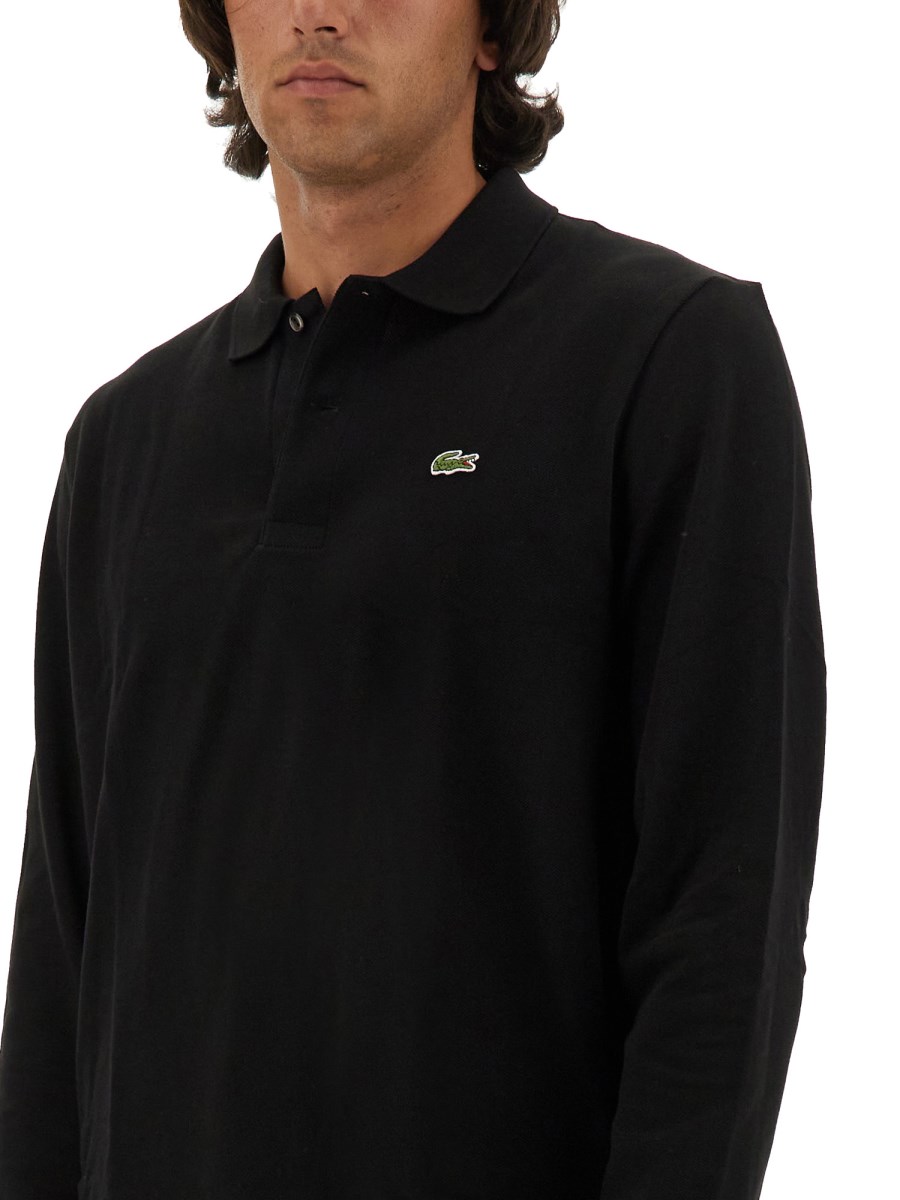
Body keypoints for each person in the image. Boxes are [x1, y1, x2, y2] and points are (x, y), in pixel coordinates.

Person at [0, 1, 827, 1198]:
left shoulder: (668, 359)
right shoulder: (126, 438)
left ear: (492, 28)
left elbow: (721, 929)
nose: (317, 12)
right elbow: (60, 952)